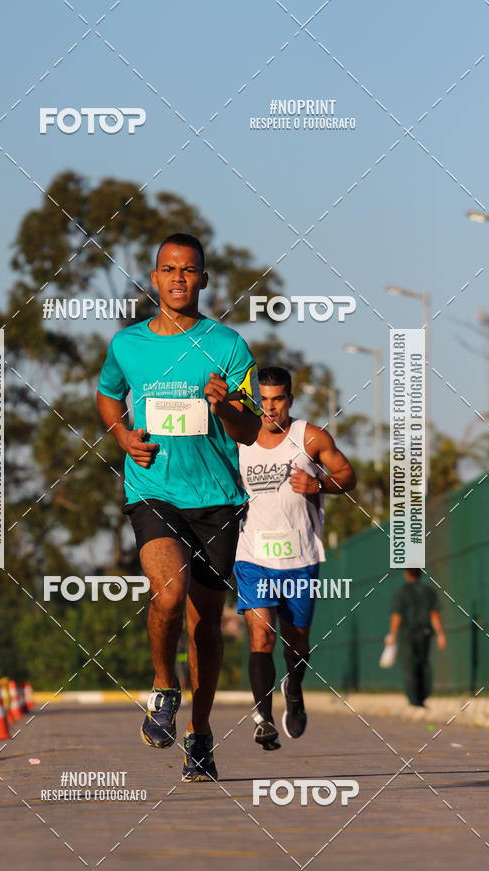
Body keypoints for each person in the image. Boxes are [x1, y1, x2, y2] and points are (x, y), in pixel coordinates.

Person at [96, 233, 262, 781]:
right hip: (153, 489)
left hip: (217, 498)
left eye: (189, 270)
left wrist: (226, 405)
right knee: (168, 593)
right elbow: (107, 395)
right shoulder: (128, 345)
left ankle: (200, 732)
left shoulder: (229, 346)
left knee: (205, 625)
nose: (178, 279)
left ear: (204, 279)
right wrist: (123, 437)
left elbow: (250, 428)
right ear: (154, 277)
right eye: (169, 269)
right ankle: (164, 687)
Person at [234, 367, 356, 749]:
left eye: (278, 400)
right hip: (252, 554)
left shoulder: (311, 437)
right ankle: (263, 718)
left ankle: (294, 687)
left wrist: (319, 484)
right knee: (261, 635)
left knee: (296, 644)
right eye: (263, 401)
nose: (270, 409)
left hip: (300, 556)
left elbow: (347, 475)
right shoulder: (240, 438)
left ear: (290, 399)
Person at [386, 568, 446, 707]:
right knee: (423, 662)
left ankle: (414, 700)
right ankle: (423, 696)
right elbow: (434, 614)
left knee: (409, 665)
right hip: (425, 633)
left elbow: (396, 615)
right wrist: (440, 634)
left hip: (407, 634)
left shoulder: (401, 592)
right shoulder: (428, 592)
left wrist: (392, 635)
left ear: (407, 574)